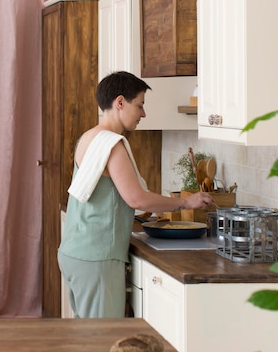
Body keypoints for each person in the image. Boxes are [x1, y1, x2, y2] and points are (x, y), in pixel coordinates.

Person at [58, 71, 214, 318]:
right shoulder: (111, 145)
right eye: (140, 105)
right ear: (120, 102)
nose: (143, 113)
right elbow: (136, 198)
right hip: (97, 256)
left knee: (88, 337)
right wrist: (186, 201)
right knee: (102, 339)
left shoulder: (89, 137)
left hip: (75, 251)